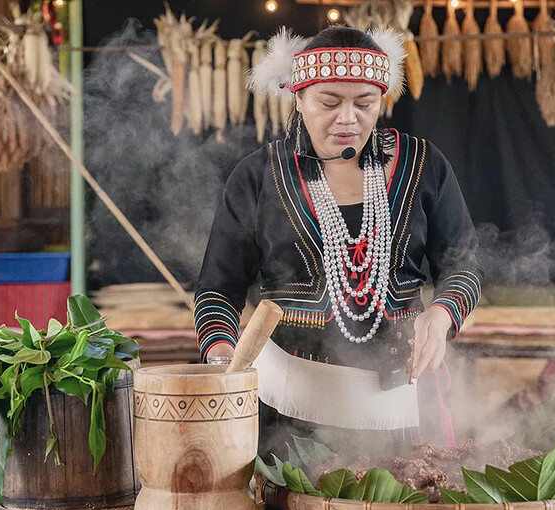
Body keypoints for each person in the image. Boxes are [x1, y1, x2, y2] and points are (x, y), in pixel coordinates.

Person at [194, 26, 481, 456]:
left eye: (364, 103)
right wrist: (222, 361)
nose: (348, 118)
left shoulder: (424, 166)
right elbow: (218, 288)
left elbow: (464, 264)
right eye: (329, 102)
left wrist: (441, 315)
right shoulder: (257, 178)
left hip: (402, 405)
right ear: (299, 97)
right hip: (286, 414)